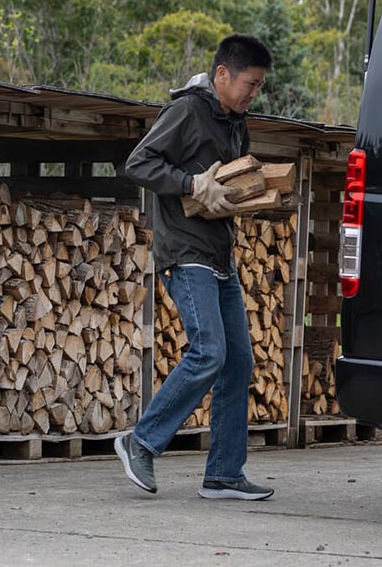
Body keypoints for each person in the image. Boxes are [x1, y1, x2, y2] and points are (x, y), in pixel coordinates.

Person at [115, 33, 274, 500]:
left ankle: (224, 473)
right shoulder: (186, 110)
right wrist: (189, 182)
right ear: (222, 74)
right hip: (184, 252)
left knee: (239, 360)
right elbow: (138, 163)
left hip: (219, 252)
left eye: (260, 86)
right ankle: (139, 441)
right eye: (250, 83)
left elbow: (228, 179)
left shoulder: (235, 120)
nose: (254, 93)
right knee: (209, 352)